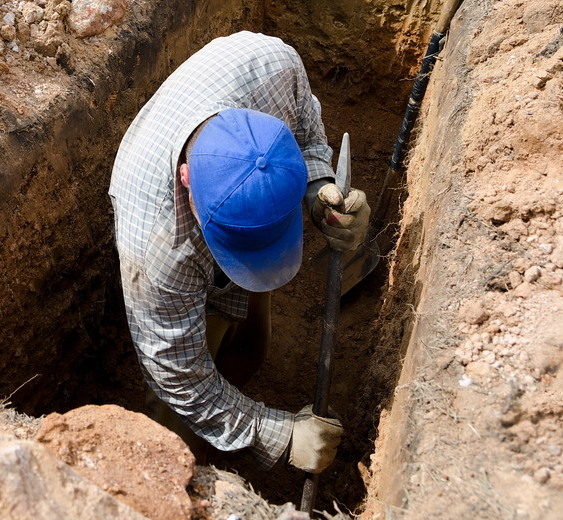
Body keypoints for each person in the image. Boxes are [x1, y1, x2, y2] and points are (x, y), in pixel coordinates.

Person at [108, 31, 370, 473]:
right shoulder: (156, 249)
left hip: (232, 217)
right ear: (187, 179)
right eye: (242, 251)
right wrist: (280, 433)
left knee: (251, 343)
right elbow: (181, 378)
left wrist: (317, 186)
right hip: (169, 247)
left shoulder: (271, 64)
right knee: (173, 422)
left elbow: (307, 132)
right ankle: (181, 471)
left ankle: (229, 420)